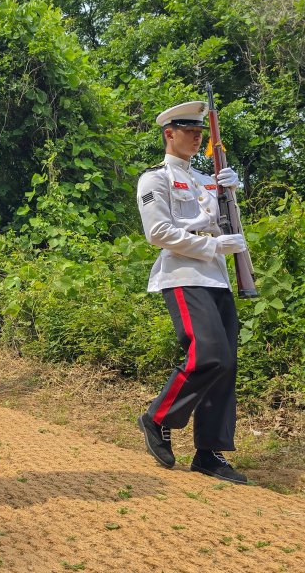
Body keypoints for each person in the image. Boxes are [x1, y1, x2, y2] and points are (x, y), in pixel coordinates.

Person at [135, 101, 248, 484]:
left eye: (200, 131)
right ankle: (158, 417)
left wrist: (230, 193)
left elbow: (229, 230)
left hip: (217, 278)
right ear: (169, 133)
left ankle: (210, 452)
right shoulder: (155, 179)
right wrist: (213, 246)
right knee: (208, 353)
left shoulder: (207, 180)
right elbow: (158, 233)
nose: (197, 137)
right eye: (189, 131)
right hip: (183, 274)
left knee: (226, 363)